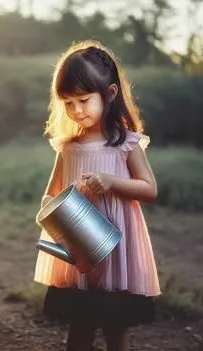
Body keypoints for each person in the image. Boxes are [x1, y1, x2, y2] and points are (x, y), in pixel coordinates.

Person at [33, 40, 161, 351]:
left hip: (116, 250)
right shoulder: (68, 147)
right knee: (80, 328)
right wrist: (58, 226)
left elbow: (149, 189)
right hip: (80, 252)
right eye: (68, 103)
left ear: (111, 94)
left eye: (84, 100)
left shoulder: (125, 143)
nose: (76, 110)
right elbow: (50, 194)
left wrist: (111, 182)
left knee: (116, 330)